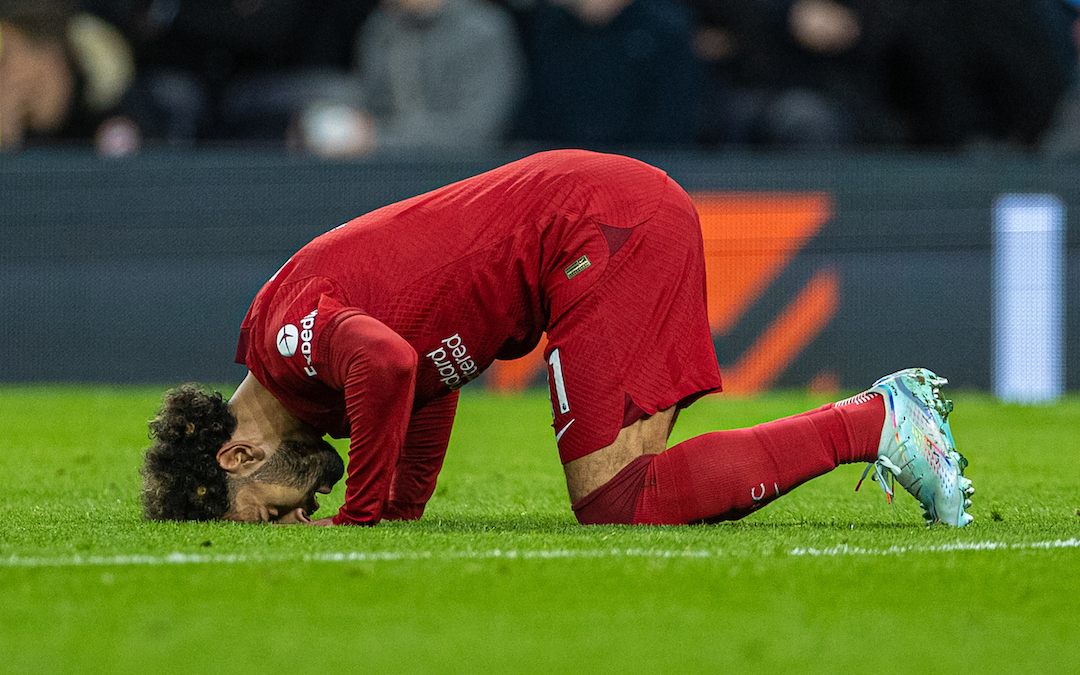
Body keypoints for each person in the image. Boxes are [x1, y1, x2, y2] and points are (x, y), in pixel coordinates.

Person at [141, 150, 974, 527]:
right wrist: (399, 506)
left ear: (238, 456)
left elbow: (389, 362)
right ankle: (875, 421)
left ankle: (876, 421)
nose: (294, 519)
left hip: (597, 230)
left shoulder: (285, 341)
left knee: (613, 499)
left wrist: (360, 518)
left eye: (268, 516)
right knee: (635, 494)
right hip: (604, 220)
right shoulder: (310, 382)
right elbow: (424, 382)